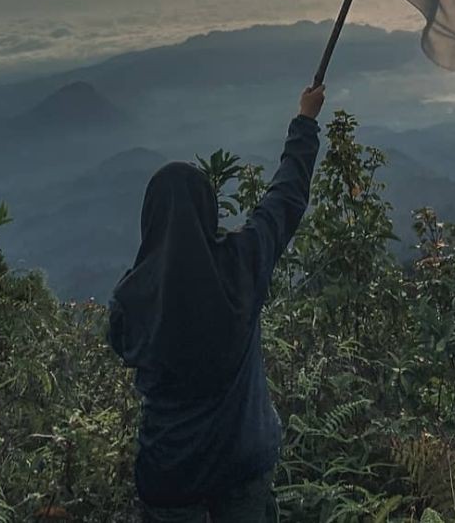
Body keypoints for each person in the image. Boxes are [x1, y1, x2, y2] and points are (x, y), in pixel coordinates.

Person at [108, 83, 326, 522]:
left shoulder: (130, 299)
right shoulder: (241, 263)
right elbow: (285, 199)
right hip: (242, 461)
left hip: (169, 472)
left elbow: (122, 344)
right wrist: (305, 121)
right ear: (209, 211)